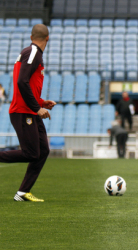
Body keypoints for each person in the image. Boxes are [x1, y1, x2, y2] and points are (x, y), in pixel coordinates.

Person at [0, 24, 56, 202]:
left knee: (43, 150)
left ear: (32, 37)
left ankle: (23, 193)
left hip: (29, 110)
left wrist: (40, 102)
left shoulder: (31, 53)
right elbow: (21, 82)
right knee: (32, 153)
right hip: (23, 112)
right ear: (48, 38)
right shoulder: (33, 52)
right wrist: (37, 108)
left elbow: (26, 84)